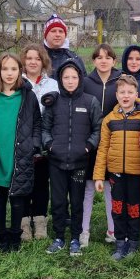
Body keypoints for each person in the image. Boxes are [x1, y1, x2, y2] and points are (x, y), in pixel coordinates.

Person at [41, 61, 102, 257]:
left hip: (79, 163)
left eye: (74, 77)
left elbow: (98, 129)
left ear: (80, 79)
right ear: (60, 79)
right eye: (66, 77)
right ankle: (59, 237)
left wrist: (87, 147)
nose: (70, 81)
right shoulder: (53, 102)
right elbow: (44, 128)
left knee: (77, 202)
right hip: (56, 162)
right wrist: (50, 145)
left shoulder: (90, 101)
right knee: (58, 201)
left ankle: (75, 237)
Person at [0, 53, 41, 253]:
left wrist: (33, 145)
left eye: (14, 69)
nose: (9, 73)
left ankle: (15, 238)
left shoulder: (28, 95)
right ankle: (1, 238)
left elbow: (36, 124)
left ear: (20, 71)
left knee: (18, 200)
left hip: (19, 154)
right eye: (5, 69)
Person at [93, 74, 140, 260]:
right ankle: (120, 243)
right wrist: (99, 176)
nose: (126, 96)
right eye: (122, 92)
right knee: (117, 209)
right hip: (116, 173)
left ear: (136, 94)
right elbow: (102, 148)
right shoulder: (109, 120)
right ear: (116, 95)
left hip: (136, 173)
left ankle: (133, 243)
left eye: (130, 92)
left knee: (133, 208)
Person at [82, 44, 122, 246]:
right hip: (91, 141)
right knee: (89, 186)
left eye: (107, 57)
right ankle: (83, 230)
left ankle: (113, 229)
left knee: (110, 187)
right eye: (99, 57)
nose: (103, 60)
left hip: (114, 141)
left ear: (114, 61)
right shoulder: (86, 82)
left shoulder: (120, 81)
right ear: (93, 61)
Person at [21, 43, 58, 242]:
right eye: (29, 58)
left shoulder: (52, 84)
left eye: (37, 58)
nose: (33, 62)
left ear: (43, 61)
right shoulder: (18, 81)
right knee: (23, 182)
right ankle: (24, 222)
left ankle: (40, 220)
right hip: (22, 140)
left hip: (44, 140)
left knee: (41, 183)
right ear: (24, 61)